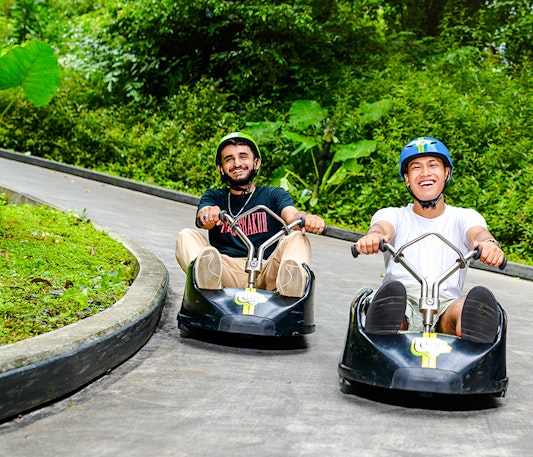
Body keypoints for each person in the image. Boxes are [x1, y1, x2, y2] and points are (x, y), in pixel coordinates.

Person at [353, 137, 505, 343]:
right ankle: (383, 337)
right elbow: (381, 228)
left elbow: (478, 233)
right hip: (400, 299)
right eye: (416, 168)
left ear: (446, 173)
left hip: (446, 304)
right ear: (407, 178)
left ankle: (472, 347)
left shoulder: (464, 217)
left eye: (433, 165)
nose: (425, 173)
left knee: (469, 305)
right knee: (392, 300)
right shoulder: (393, 214)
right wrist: (374, 237)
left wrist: (489, 245)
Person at [175, 132, 326, 297]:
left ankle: (290, 292)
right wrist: (209, 214)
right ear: (221, 168)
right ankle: (208, 289)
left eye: (243, 157)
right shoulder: (215, 196)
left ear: (256, 163)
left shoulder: (273, 194)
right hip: (224, 270)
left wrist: (306, 219)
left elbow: (292, 216)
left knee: (298, 237)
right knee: (186, 235)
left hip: (269, 271)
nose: (237, 163)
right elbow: (204, 218)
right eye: (229, 159)